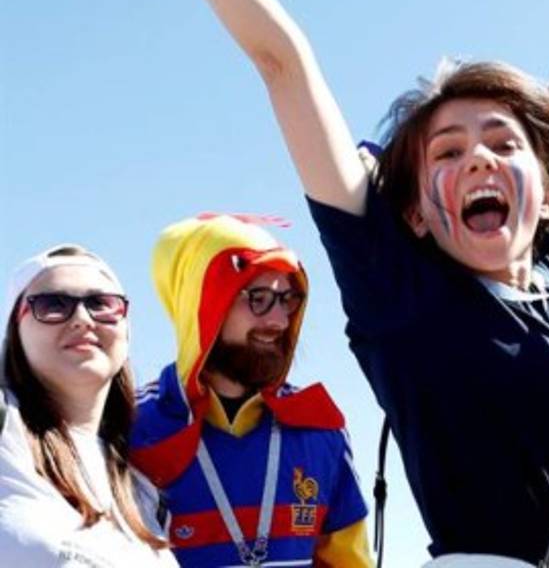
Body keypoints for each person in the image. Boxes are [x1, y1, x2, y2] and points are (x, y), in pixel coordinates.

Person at [64, 0, 549, 566]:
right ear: (420, 215)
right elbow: (282, 62)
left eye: (503, 142)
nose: (480, 161)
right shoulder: (407, 297)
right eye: (447, 152)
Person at [129, 214, 371, 567]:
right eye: (258, 297)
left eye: (288, 299)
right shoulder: (130, 428)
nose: (279, 321)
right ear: (202, 301)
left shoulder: (320, 428)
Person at [0, 245, 177, 567]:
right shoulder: (6, 431)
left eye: (101, 304)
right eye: (53, 304)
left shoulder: (143, 491)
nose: (82, 319)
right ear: (16, 330)